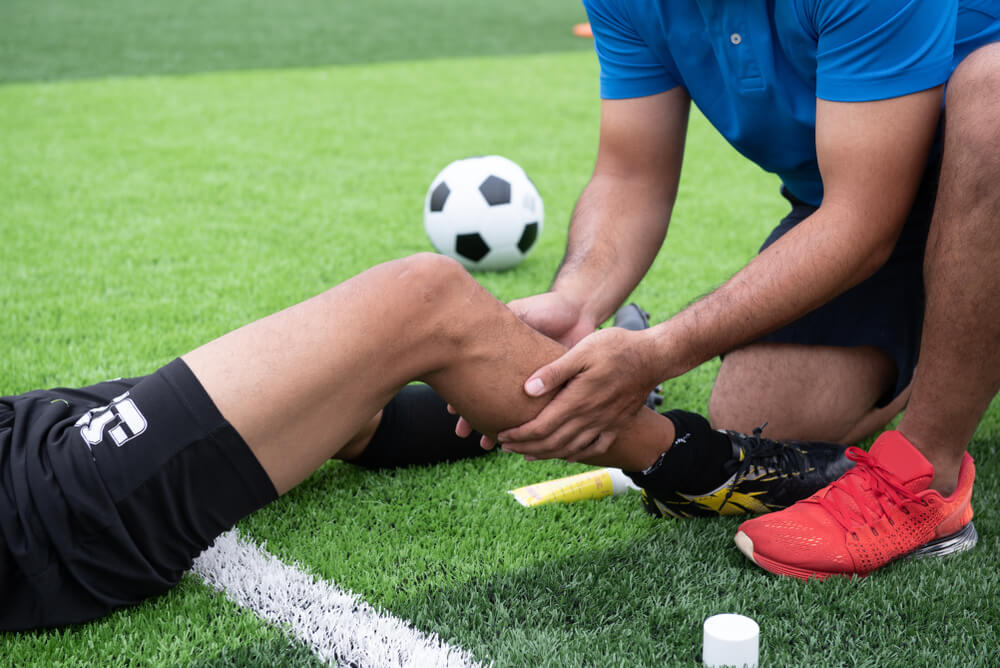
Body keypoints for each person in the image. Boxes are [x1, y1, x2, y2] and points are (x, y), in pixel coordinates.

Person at [0, 253, 852, 631]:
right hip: (32, 511)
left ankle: (548, 371)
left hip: (22, 428)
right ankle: (697, 467)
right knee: (422, 300)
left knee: (342, 402)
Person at [471, 1, 999, 579]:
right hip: (857, 191)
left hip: (949, 173)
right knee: (761, 418)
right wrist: (575, 299)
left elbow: (861, 223)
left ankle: (927, 473)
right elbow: (630, 174)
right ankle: (969, 328)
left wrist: (661, 350)